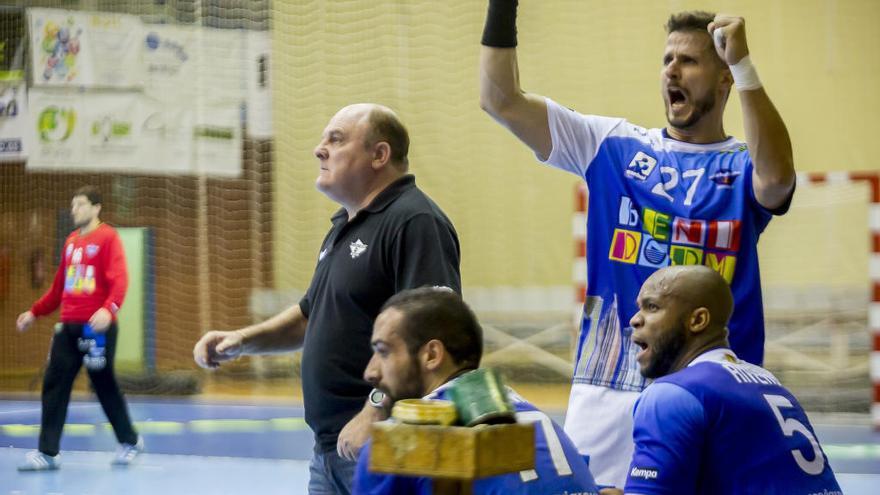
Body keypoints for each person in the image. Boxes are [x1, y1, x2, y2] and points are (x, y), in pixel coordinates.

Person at [479, 2, 796, 486]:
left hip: (712, 391)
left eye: (689, 61)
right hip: (611, 388)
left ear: (723, 81)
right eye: (667, 59)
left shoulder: (742, 163)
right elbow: (499, 99)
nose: (673, 68)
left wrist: (743, 64)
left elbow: (776, 180)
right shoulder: (612, 144)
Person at [193, 104, 461, 495]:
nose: (320, 149)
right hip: (330, 451)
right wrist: (242, 341)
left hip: (383, 444)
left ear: (379, 155)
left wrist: (375, 410)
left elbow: (433, 332)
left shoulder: (414, 221)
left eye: (335, 139)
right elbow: (310, 314)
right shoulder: (343, 225)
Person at [606, 265, 840, 494]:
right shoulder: (768, 382)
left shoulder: (672, 394)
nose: (635, 319)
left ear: (697, 320)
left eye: (652, 307)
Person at [353, 287, 599, 495]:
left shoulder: (394, 445)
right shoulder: (537, 418)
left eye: (384, 352)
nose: (370, 371)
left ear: (432, 355)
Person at [16, 186, 143, 471]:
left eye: (81, 204)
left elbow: (120, 281)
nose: (75, 209)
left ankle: (130, 441)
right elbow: (59, 287)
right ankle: (48, 453)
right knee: (54, 384)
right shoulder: (71, 241)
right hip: (68, 329)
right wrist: (34, 312)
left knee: (103, 386)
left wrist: (108, 310)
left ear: (96, 208)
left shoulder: (108, 237)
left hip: (95, 329)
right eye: (73, 204)